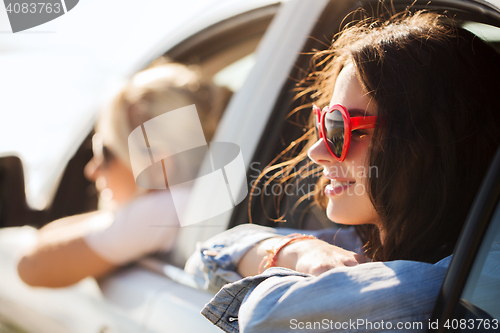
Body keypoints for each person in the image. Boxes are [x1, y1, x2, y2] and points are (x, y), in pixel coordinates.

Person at [185, 10, 500, 332]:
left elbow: (268, 316)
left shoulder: (476, 278)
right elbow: (208, 254)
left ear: (437, 141)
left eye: (344, 127)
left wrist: (284, 259)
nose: (316, 151)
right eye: (324, 123)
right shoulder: (364, 243)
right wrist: (300, 251)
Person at [17, 62, 230, 288]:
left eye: (105, 153)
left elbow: (30, 266)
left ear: (159, 166)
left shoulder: (168, 207)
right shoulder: (200, 199)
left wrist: (122, 214)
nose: (91, 170)